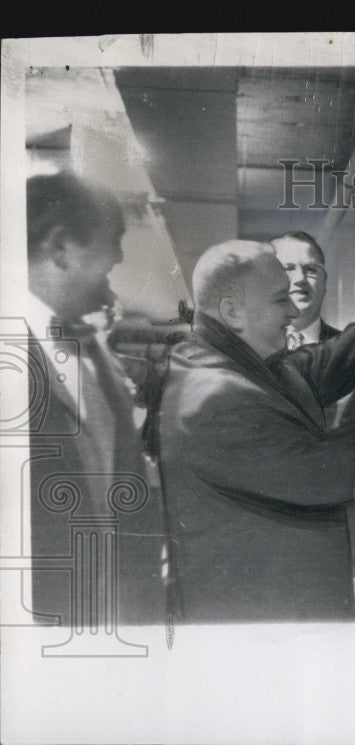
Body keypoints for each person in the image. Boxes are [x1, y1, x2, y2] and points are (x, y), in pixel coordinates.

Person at [156, 240, 355, 623]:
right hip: (257, 623)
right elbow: (330, 474)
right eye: (281, 299)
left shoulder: (238, 361)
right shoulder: (213, 396)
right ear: (233, 311)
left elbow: (326, 361)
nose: (295, 310)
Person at [24, 171, 167, 625]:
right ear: (61, 246)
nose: (120, 258)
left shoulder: (95, 353)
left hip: (112, 622)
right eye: (113, 242)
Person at [269, 231, 339, 349]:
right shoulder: (249, 350)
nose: (300, 278)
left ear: (324, 282)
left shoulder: (349, 348)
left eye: (310, 269)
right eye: (288, 269)